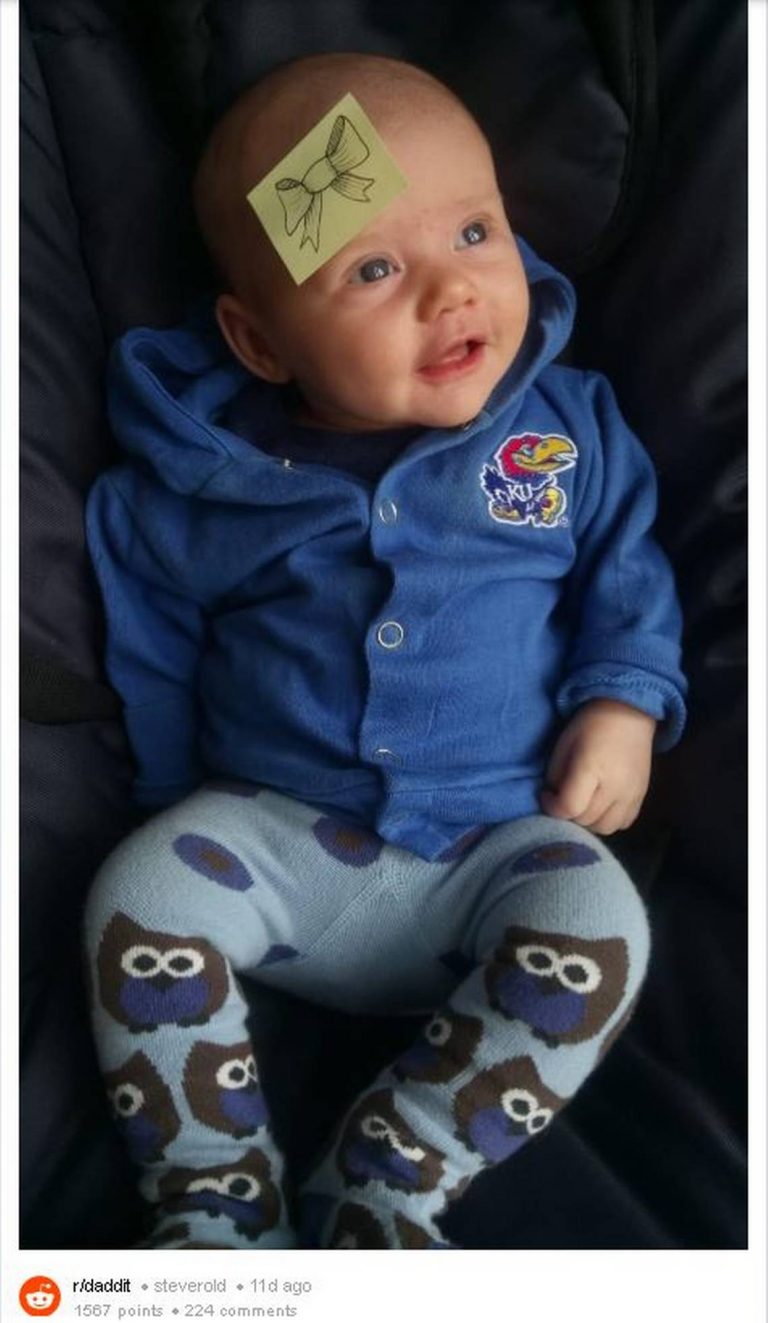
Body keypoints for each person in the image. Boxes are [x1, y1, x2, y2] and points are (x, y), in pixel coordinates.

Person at [83, 51, 687, 1250]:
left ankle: (394, 1175)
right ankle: (210, 1197)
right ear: (260, 342)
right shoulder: (204, 486)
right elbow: (153, 648)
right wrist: (163, 798)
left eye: (475, 231)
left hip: (497, 845)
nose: (453, 289)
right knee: (135, 896)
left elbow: (630, 572)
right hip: (272, 838)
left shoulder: (563, 434)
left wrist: (622, 702)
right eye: (372, 268)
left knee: (603, 923)